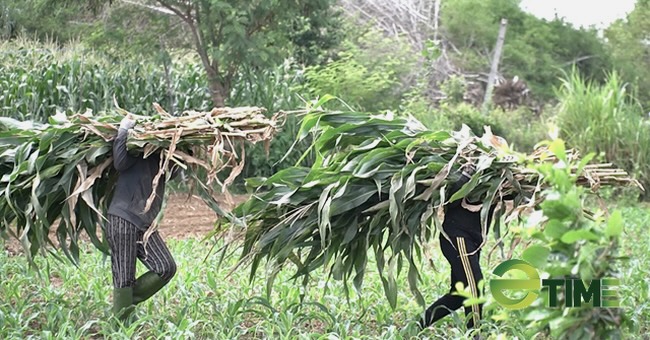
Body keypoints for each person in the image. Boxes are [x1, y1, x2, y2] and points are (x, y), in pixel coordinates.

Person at [106, 114, 178, 322]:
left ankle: (125, 305)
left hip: (145, 225)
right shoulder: (138, 151)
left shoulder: (163, 161)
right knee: (124, 277)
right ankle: (121, 325)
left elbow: (174, 168)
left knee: (166, 267)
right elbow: (119, 163)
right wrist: (123, 131)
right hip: (123, 219)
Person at [419, 162, 505, 333]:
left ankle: (419, 324)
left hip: (473, 241)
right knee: (475, 285)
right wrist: (466, 175)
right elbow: (449, 201)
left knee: (459, 294)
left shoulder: (496, 178)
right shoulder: (461, 172)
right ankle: (475, 334)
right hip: (457, 237)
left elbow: (514, 194)